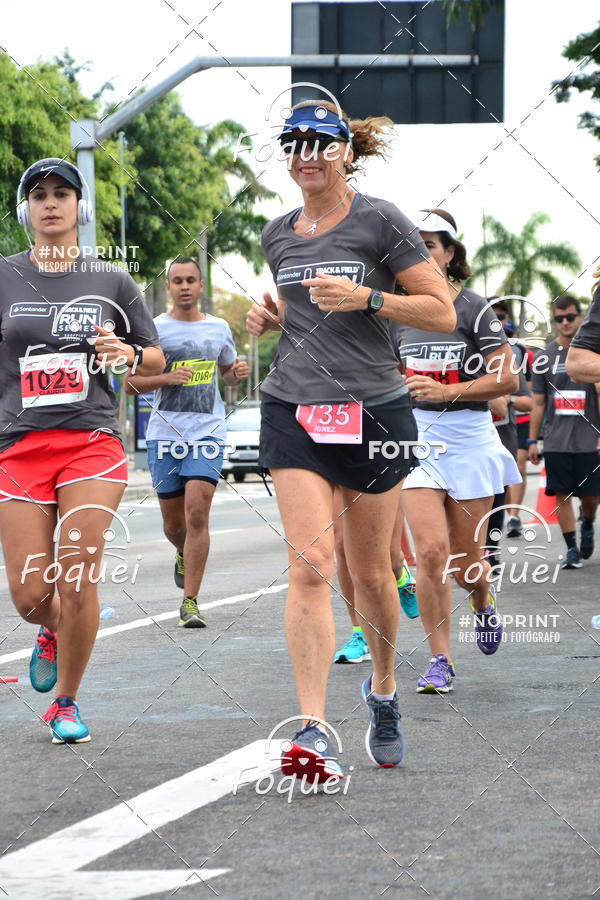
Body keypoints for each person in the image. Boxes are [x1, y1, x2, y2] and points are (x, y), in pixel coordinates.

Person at [246, 101, 455, 776]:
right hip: (293, 407)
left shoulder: (382, 220)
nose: (305, 153)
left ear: (345, 152)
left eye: (319, 143)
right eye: (293, 143)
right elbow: (308, 322)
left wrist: (370, 298)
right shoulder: (278, 233)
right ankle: (312, 728)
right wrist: (272, 319)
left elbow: (442, 311)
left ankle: (385, 691)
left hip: (372, 411)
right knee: (311, 566)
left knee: (370, 574)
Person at [0, 158, 164, 743]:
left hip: (91, 444)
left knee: (76, 576)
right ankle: (50, 630)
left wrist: (127, 354)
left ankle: (66, 703)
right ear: (26, 210)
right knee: (29, 596)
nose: (50, 203)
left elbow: (156, 358)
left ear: (79, 208)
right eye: (38, 194)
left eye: (62, 194)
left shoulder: (111, 281)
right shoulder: (3, 276)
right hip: (18, 447)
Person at [393, 209, 520, 694]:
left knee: (467, 566)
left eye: (430, 245)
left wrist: (447, 392)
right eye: (412, 245)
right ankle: (440, 658)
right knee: (428, 552)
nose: (421, 254)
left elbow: (506, 379)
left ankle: (482, 598)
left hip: (469, 439)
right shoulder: (396, 313)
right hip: (416, 442)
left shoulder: (472, 308)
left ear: (449, 253)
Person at [124, 257, 248, 626]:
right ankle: (182, 552)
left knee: (198, 513)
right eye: (177, 280)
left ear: (201, 285)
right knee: (174, 526)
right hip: (164, 433)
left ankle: (190, 601)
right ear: (168, 287)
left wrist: (236, 374)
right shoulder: (153, 330)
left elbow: (227, 375)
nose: (184, 286)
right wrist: (166, 379)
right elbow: (131, 384)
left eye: (190, 280)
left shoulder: (218, 328)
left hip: (207, 431)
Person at [530, 295, 600, 569]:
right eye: (560, 318)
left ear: (581, 317)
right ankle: (571, 548)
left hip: (588, 439)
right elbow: (538, 402)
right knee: (561, 494)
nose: (566, 322)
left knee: (591, 497)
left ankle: (589, 522)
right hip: (556, 438)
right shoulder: (544, 357)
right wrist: (532, 440)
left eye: (570, 316)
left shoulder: (591, 354)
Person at [333, 488, 417, 665]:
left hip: (380, 464)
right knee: (342, 542)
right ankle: (360, 633)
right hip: (335, 463)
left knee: (389, 555)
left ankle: (402, 576)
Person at [485, 300, 533, 566]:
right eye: (489, 317)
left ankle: (491, 548)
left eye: (500, 317)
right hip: (465, 433)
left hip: (503, 433)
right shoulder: (463, 348)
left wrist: (505, 397)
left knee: (498, 492)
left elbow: (526, 402)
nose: (495, 322)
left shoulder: (513, 354)